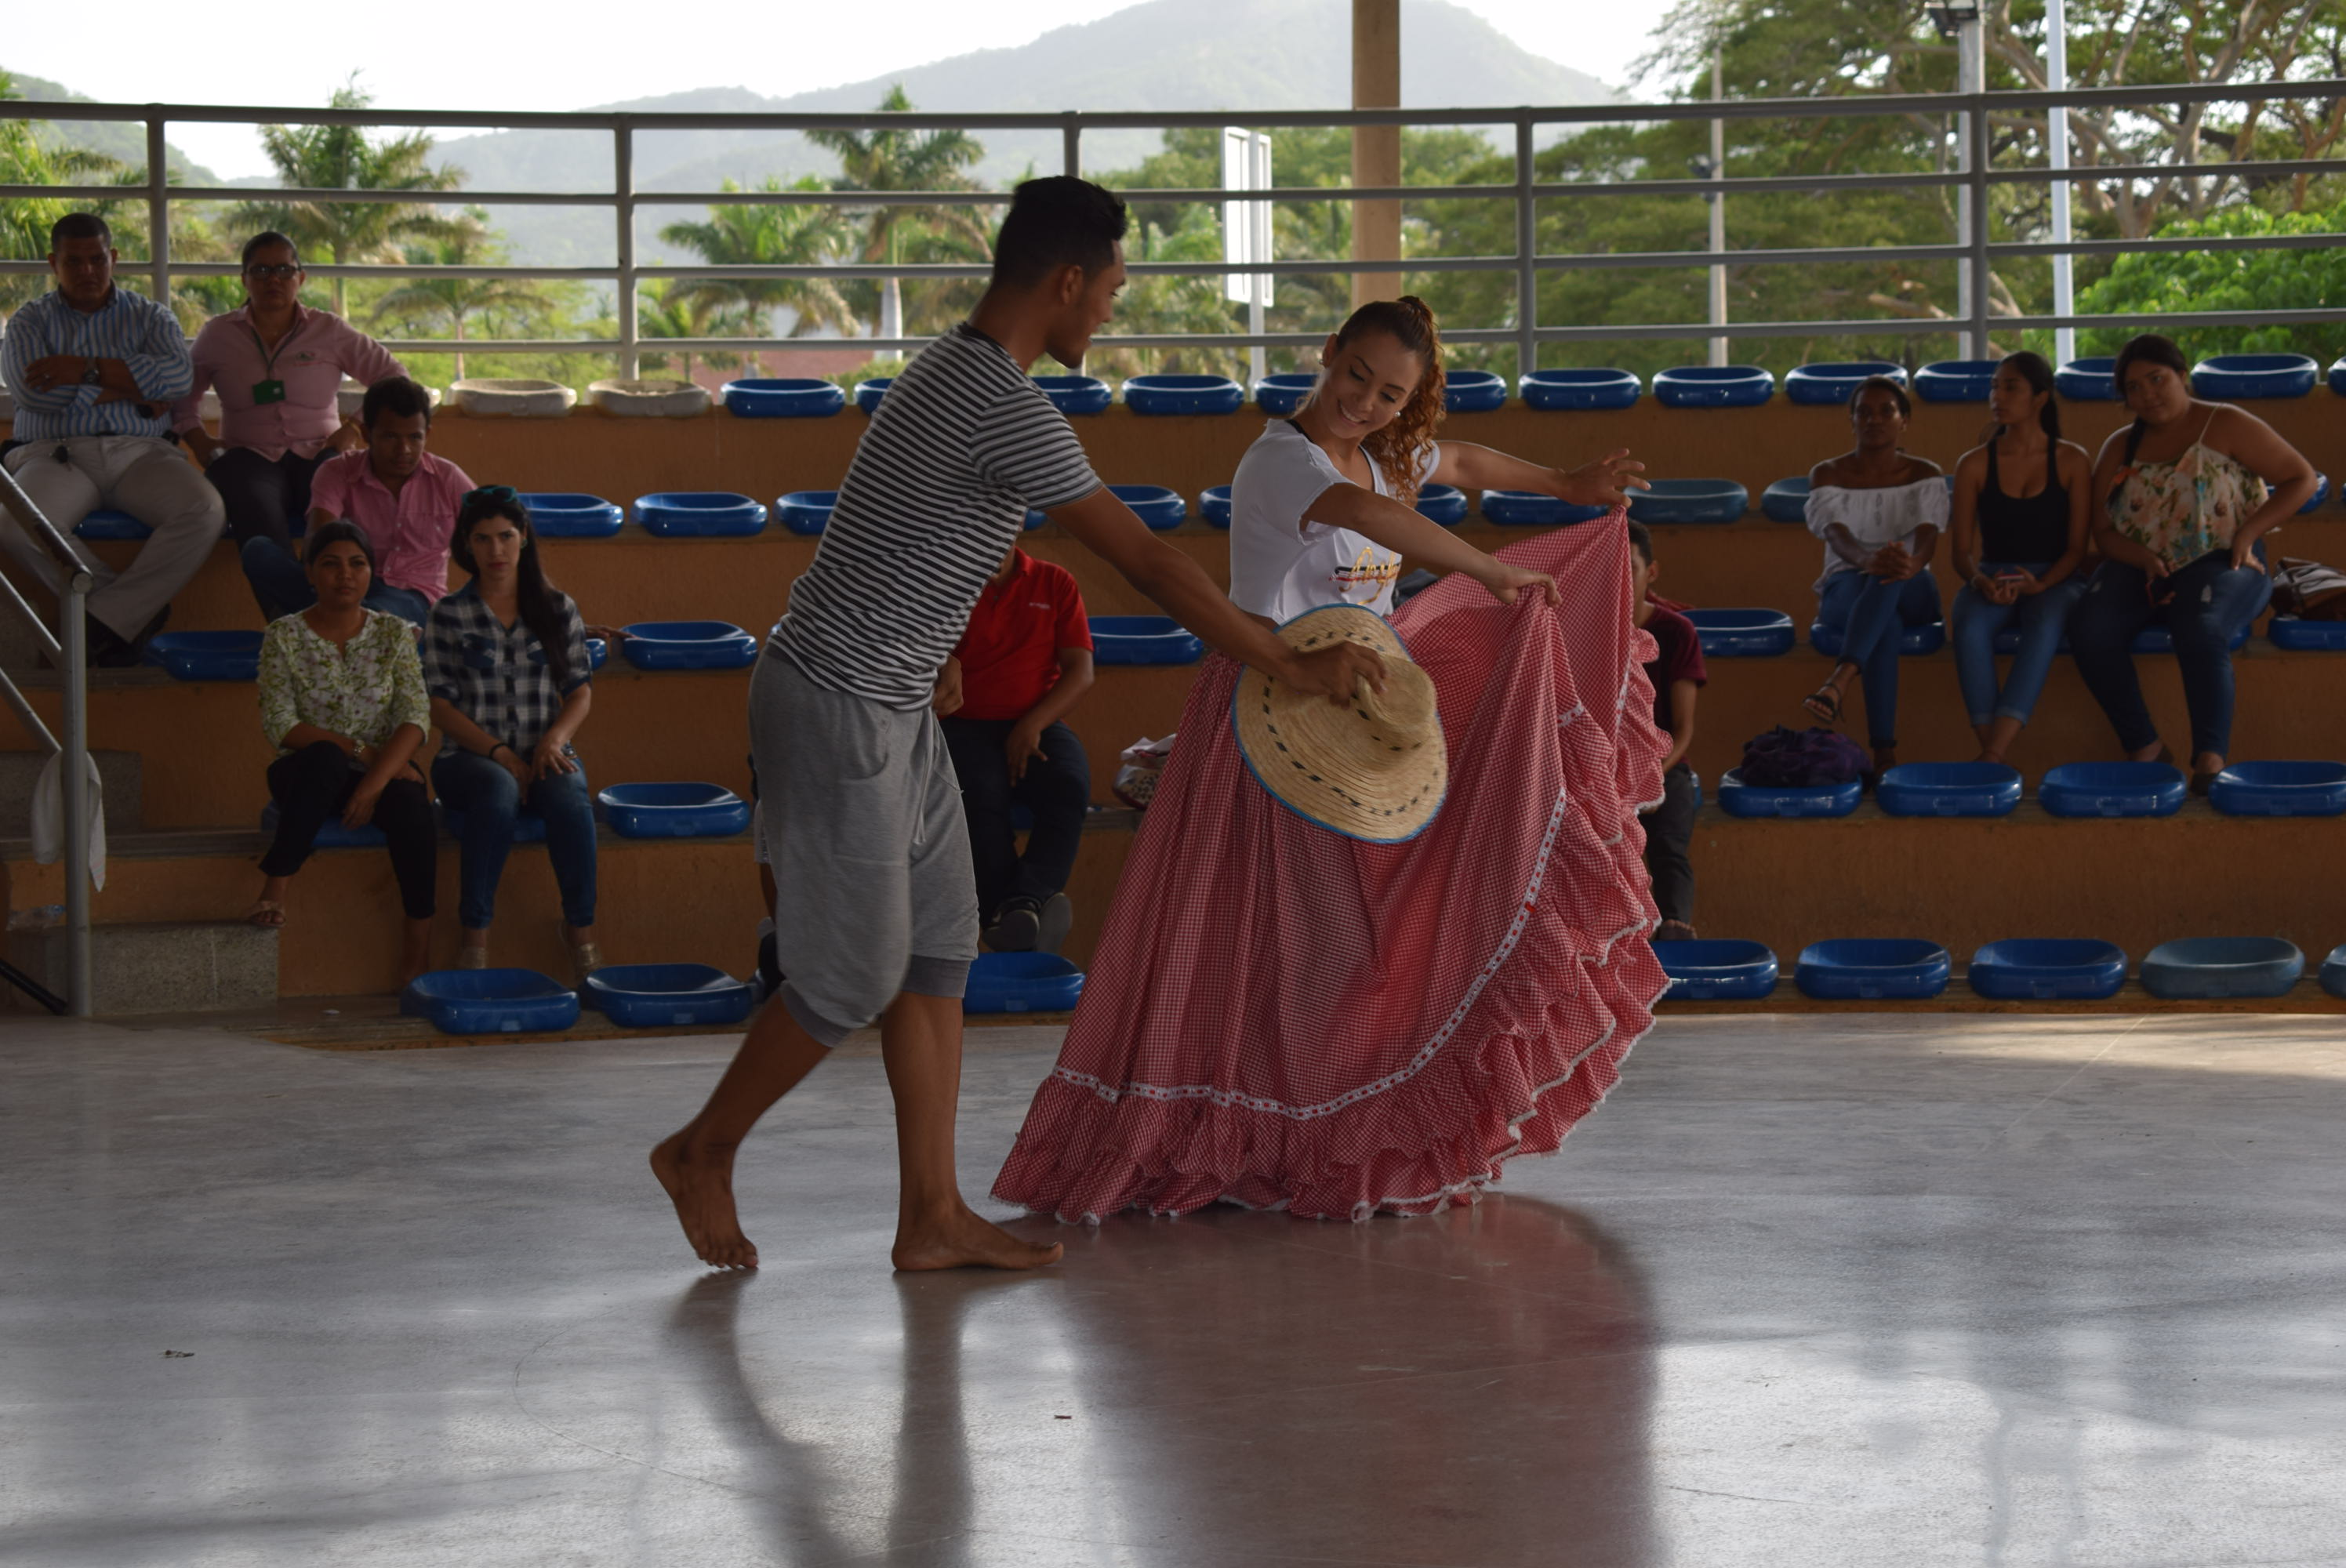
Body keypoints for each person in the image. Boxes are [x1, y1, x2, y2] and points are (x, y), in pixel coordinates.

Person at [649, 176, 1387, 1275]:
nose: (1111, 313)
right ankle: (702, 1150)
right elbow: (1147, 558)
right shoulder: (996, 400)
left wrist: (935, 647)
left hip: (895, 696)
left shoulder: (955, 374)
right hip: (838, 697)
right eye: (1112, 292)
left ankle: (932, 1217)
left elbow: (910, 535)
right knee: (851, 978)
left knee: (941, 953)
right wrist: (1284, 658)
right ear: (1068, 282)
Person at [992, 294, 1661, 1224]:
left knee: (1349, 939)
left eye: (1391, 394)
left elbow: (1459, 458)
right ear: (1328, 353)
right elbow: (1358, 512)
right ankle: (1234, 1131)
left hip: (1363, 716)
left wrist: (1565, 484)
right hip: (1272, 711)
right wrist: (1489, 569)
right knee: (1269, 938)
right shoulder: (1281, 459)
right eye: (1357, 376)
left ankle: (1324, 1128)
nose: (1367, 403)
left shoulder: (1390, 454)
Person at [2070, 333, 2319, 792]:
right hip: (2141, 564)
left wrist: (2249, 531)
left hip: (2225, 557)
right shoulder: (2119, 446)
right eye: (2134, 388)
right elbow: (2103, 534)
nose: (2147, 394)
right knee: (2089, 629)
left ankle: (2209, 761)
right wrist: (2142, 557)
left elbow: (2300, 478)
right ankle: (2144, 747)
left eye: (2157, 379)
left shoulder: (2226, 423)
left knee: (2198, 626)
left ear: (2182, 375)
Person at [0, 213, 224, 667]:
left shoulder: (150, 316)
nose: (87, 271)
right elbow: (32, 395)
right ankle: (124, 615)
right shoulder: (29, 322)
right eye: (74, 261)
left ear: (114, 258)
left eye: (97, 259)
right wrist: (135, 386)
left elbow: (178, 378)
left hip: (140, 453)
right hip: (55, 453)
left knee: (204, 510)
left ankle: (100, 620)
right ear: (53, 263)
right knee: (12, 524)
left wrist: (83, 370)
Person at [249, 521, 438, 983]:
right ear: (310, 574)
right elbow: (282, 726)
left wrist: (373, 783)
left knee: (413, 806)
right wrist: (362, 752)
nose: (345, 575)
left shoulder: (395, 634)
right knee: (326, 758)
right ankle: (277, 884)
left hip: (375, 773)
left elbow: (416, 718)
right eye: (330, 565)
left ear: (372, 573)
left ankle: (417, 944)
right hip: (303, 770)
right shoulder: (284, 635)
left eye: (358, 564)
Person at [424, 488, 600, 976]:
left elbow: (580, 692)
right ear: (467, 545)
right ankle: (475, 941)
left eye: (505, 536)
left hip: (545, 751)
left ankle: (581, 933)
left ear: (524, 538)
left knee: (569, 796)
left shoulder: (558, 607)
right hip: (468, 759)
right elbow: (438, 705)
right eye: (482, 539)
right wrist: (500, 753)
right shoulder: (448, 613)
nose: (495, 550)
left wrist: (553, 740)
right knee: (498, 788)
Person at [174, 232, 404, 570]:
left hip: (320, 451)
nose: (274, 280)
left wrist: (355, 426)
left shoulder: (329, 330)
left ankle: (324, 611)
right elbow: (181, 399)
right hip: (249, 458)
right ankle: (285, 616)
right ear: (244, 280)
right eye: (261, 272)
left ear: (301, 278)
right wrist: (200, 442)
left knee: (331, 522)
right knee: (258, 522)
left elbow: (393, 376)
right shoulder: (218, 335)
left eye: (284, 270)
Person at [940, 543, 1096, 953]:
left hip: (1038, 718)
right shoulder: (945, 581)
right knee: (978, 795)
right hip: (962, 724)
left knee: (1069, 784)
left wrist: (1031, 725)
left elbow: (1080, 672)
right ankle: (1011, 912)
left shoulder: (1055, 581)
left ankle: (1025, 900)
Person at [1946, 352, 2094, 764]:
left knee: (2045, 622)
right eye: (1995, 386)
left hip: (2057, 578)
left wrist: (2043, 584)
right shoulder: (1974, 464)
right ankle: (1992, 751)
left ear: (2040, 398)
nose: (1998, 396)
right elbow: (1960, 552)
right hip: (1994, 575)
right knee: (1968, 627)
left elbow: (2077, 550)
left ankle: (1994, 753)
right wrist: (1981, 582)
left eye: (2011, 387)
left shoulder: (2072, 460)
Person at [1799, 376, 1946, 776]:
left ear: (1905, 421)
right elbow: (1837, 535)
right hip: (1846, 585)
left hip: (1913, 582)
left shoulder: (1925, 473)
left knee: (1892, 581)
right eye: (1863, 412)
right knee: (1887, 620)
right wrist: (1871, 560)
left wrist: (1905, 565)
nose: (1874, 419)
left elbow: (1928, 539)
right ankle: (1884, 751)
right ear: (1851, 420)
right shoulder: (1827, 473)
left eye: (1886, 411)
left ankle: (1841, 679)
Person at [240, 376, 467, 626]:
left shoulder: (447, 478)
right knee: (258, 551)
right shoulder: (337, 472)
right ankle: (329, 625)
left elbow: (492, 523)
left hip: (412, 598)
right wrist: (340, 581)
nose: (404, 449)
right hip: (340, 585)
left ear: (428, 434)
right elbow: (318, 539)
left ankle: (313, 626)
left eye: (415, 438)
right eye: (391, 437)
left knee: (373, 618)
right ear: (368, 434)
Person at [1629, 521, 1704, 942]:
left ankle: (1675, 925)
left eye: (1632, 569)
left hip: (1663, 765)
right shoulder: (1584, 631)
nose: (1621, 581)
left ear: (1651, 572)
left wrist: (1651, 778)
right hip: (1600, 769)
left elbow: (1683, 729)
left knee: (1669, 839)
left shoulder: (1677, 633)